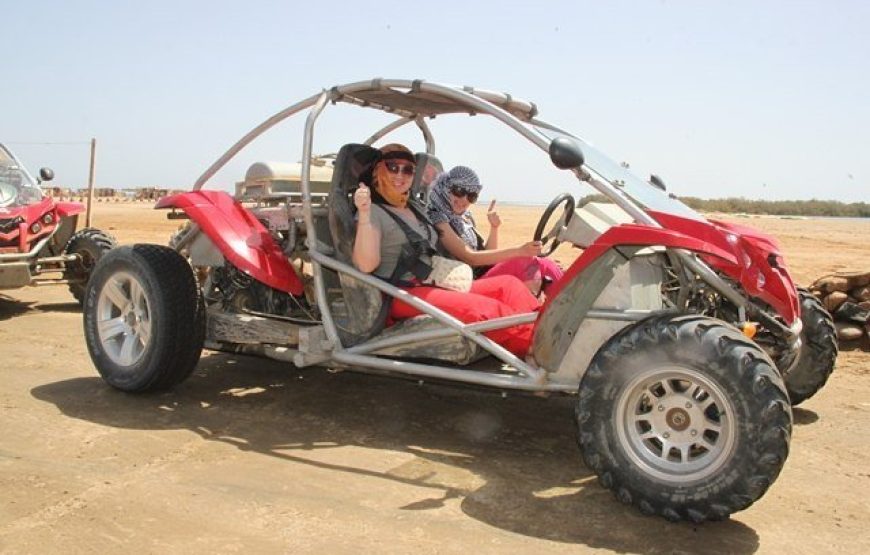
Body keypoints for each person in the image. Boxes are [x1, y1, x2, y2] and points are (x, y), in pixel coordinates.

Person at [352, 144, 540, 358]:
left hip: (434, 281)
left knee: (509, 286)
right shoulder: (373, 211)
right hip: (401, 292)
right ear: (378, 170)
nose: (400, 175)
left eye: (408, 170)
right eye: (393, 167)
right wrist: (365, 213)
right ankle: (539, 351)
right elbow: (366, 265)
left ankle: (547, 332)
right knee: (486, 310)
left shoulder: (412, 207)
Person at [426, 166, 564, 297]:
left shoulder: (463, 217)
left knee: (544, 263)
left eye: (472, 196)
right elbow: (470, 258)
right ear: (446, 186)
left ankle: (568, 305)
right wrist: (520, 251)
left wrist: (494, 228)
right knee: (526, 262)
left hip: (482, 274)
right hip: (466, 283)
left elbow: (486, 257)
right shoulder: (437, 217)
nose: (464, 200)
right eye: (459, 191)